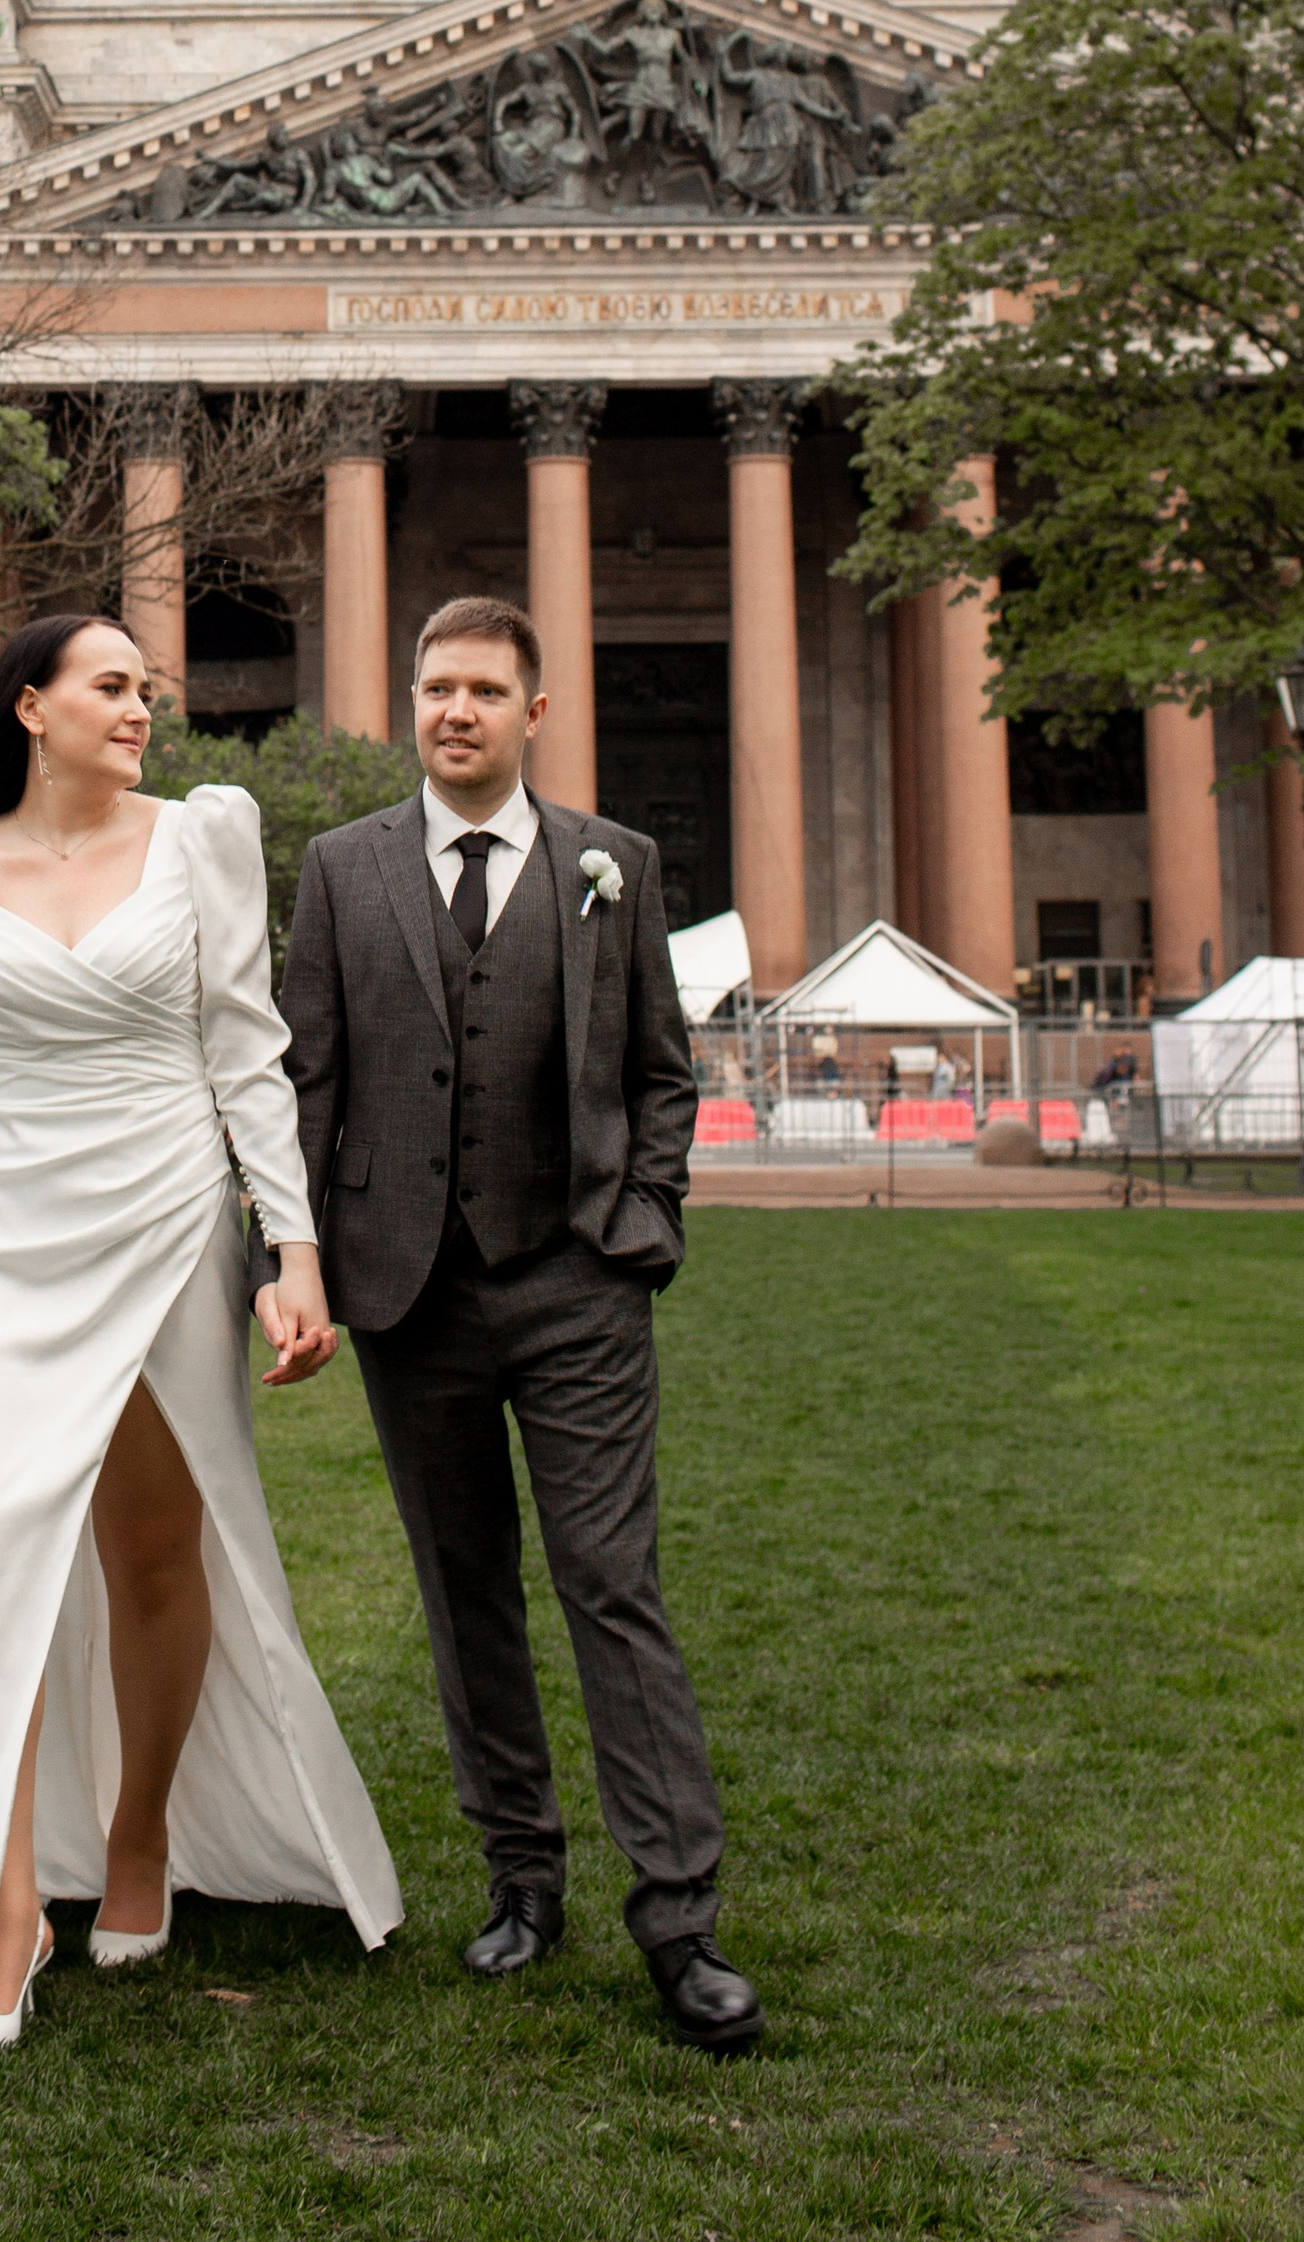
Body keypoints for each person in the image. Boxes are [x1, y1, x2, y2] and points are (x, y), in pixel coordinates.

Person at [0, 612, 401, 2056]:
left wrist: (291, 1249)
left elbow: (246, 1048)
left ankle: (141, 1837)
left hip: (167, 1220)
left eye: (147, 691)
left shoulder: (204, 838)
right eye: (113, 687)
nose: (142, 708)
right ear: (31, 707)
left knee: (155, 1547)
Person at [276, 594, 762, 2056]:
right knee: (465, 1592)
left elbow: (663, 1071)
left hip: (577, 1283)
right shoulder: (341, 872)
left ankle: (679, 1920)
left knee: (612, 1584)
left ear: (533, 714)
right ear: (412, 704)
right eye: (436, 689)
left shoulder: (617, 866)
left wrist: (644, 1226)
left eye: (485, 689)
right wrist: (287, 1256)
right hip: (406, 1292)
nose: (457, 712)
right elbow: (304, 1083)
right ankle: (522, 1876)